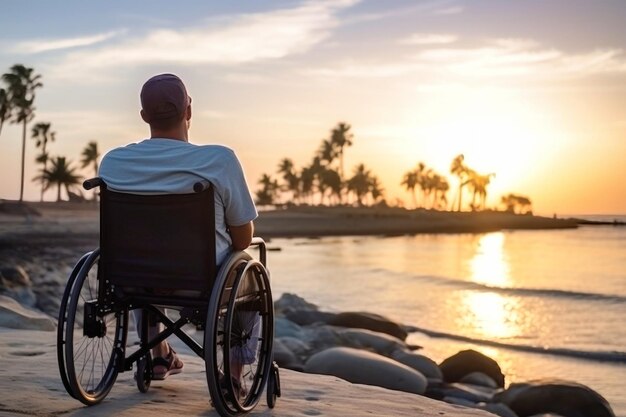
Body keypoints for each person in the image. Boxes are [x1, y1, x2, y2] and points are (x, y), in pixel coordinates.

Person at [99, 73, 257, 381]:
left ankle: (158, 357)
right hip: (201, 282)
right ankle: (234, 378)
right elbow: (242, 238)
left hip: (133, 277)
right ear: (189, 111)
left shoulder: (114, 162)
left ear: (144, 116)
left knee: (144, 256)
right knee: (248, 268)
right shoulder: (218, 160)